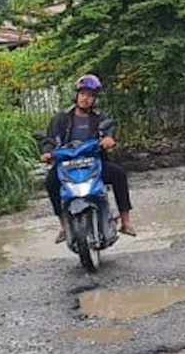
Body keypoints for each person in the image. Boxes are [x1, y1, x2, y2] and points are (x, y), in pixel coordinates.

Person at [40, 74, 136, 243]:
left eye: (90, 95)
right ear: (76, 95)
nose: (86, 98)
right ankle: (63, 225)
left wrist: (108, 140)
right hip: (67, 164)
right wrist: (47, 152)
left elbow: (107, 134)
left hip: (95, 162)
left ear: (95, 99)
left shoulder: (100, 118)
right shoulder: (61, 118)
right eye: (83, 94)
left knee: (119, 174)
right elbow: (50, 139)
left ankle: (126, 221)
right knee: (51, 182)